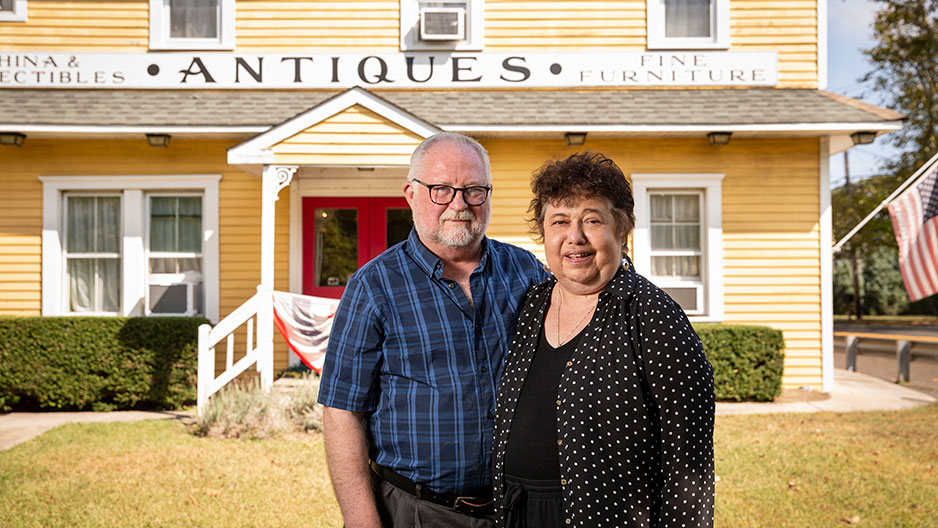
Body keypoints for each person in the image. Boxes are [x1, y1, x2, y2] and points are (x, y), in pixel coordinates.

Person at [318, 132, 548, 528]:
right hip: (416, 511)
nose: (459, 205)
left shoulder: (525, 272)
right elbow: (342, 411)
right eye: (441, 189)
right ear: (410, 193)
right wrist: (361, 520)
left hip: (519, 509)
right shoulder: (374, 286)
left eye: (474, 190)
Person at [492, 152, 715, 528]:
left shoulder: (654, 317)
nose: (574, 238)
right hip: (518, 512)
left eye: (592, 220)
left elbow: (688, 471)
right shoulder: (531, 305)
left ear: (622, 228)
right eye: (559, 221)